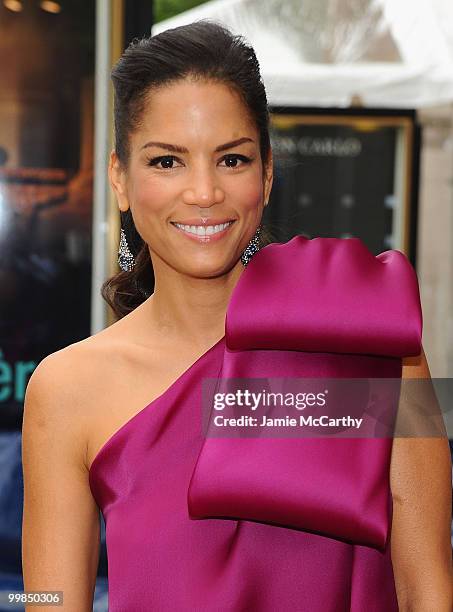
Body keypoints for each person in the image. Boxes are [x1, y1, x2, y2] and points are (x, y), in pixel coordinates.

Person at [21, 20, 453, 612]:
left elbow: (429, 588)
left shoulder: (371, 340)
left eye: (231, 159)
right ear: (119, 178)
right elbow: (47, 600)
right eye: (167, 161)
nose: (203, 192)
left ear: (267, 174)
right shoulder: (66, 387)